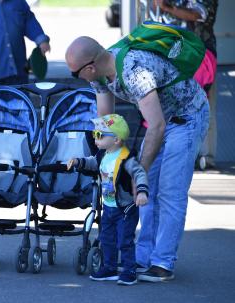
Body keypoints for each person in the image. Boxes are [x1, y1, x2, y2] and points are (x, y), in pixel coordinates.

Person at [65, 36, 209, 282]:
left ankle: (163, 262)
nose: (75, 77)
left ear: (89, 67)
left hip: (186, 118)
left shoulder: (134, 71)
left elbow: (157, 126)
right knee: (145, 191)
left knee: (169, 191)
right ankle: (142, 259)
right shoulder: (98, 74)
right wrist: (107, 161)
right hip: (162, 121)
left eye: (74, 73)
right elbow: (106, 121)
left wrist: (137, 173)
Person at [67, 114, 149, 286]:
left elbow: (140, 173)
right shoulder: (103, 155)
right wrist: (77, 162)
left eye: (100, 135)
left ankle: (129, 271)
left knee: (124, 240)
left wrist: (141, 192)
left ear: (117, 140)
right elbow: (92, 163)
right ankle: (110, 267)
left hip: (125, 209)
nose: (95, 138)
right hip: (108, 208)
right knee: (107, 239)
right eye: (95, 134)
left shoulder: (127, 158)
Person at [151, 0, 218, 169]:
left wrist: (167, 7)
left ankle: (206, 156)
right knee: (176, 104)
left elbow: (199, 14)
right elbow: (157, 13)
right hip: (173, 54)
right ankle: (182, 152)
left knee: (203, 102)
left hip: (199, 54)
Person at [0, 0, 51, 91]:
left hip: (18, 71)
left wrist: (41, 40)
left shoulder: (19, 2)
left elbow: (30, 22)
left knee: (21, 104)